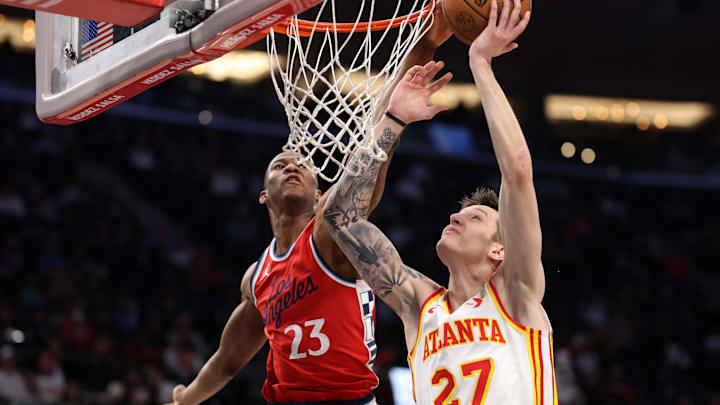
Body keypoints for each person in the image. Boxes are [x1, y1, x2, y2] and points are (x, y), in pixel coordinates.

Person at [168, 9, 454, 405]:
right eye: (279, 164)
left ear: (322, 195)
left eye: (301, 164)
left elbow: (374, 150)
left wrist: (426, 44)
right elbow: (226, 362)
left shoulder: (333, 230)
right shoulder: (256, 278)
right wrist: (185, 399)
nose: (291, 164)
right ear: (263, 195)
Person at [323, 1, 558, 404]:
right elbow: (340, 219)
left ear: (499, 249)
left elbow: (517, 171)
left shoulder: (517, 294)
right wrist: (392, 121)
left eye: (477, 216)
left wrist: (480, 62)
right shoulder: (418, 305)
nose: (455, 215)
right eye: (461, 212)